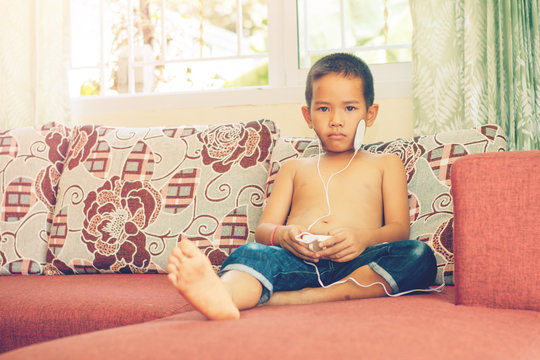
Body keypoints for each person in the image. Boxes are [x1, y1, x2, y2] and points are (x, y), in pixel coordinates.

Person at [167, 53, 437, 320]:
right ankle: (223, 297)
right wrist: (284, 235)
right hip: (297, 263)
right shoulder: (294, 168)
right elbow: (264, 230)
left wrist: (361, 238)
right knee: (251, 253)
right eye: (323, 108)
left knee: (418, 255)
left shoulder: (386, 163)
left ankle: (298, 299)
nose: (336, 120)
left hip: (358, 263)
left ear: (371, 113)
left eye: (350, 108)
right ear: (308, 116)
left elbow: (399, 230)